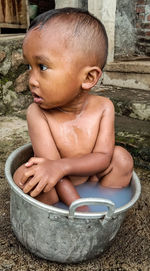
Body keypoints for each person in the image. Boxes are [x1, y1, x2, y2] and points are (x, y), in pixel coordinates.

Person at [13, 7, 133, 209]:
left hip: (91, 179)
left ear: (88, 78)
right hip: (55, 187)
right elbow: (50, 170)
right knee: (27, 176)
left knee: (121, 158)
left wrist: (62, 167)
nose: (31, 81)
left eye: (42, 67)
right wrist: (78, 207)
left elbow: (103, 158)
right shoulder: (38, 113)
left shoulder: (104, 107)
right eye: (29, 67)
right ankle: (55, 211)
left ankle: (105, 205)